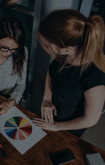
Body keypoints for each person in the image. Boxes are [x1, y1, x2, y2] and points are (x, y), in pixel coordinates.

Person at [32, 9, 105, 137]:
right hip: (48, 116)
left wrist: (55, 126)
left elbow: (91, 120)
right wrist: (47, 99)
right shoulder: (63, 56)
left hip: (68, 128)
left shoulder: (95, 79)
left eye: (49, 45)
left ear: (67, 49)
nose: (47, 48)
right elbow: (52, 72)